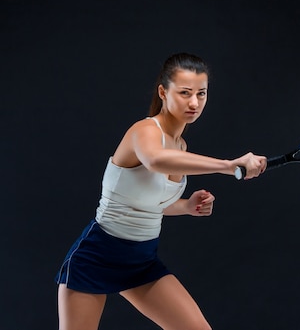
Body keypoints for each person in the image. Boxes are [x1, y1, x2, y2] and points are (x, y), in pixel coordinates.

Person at [55, 53, 267, 330]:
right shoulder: (144, 131)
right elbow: (155, 160)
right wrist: (228, 166)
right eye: (185, 93)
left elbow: (149, 202)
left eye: (201, 94)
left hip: (141, 261)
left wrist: (186, 206)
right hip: (98, 256)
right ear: (163, 92)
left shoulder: (181, 148)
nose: (194, 102)